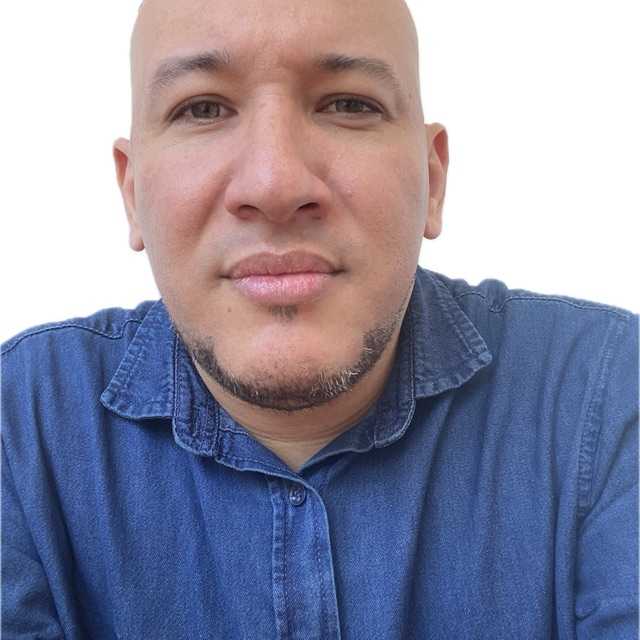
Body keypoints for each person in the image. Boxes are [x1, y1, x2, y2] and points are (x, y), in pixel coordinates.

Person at [1, 0, 637, 637]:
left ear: (433, 179)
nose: (274, 185)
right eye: (203, 109)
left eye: (348, 104)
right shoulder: (17, 430)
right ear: (133, 193)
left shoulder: (609, 396)